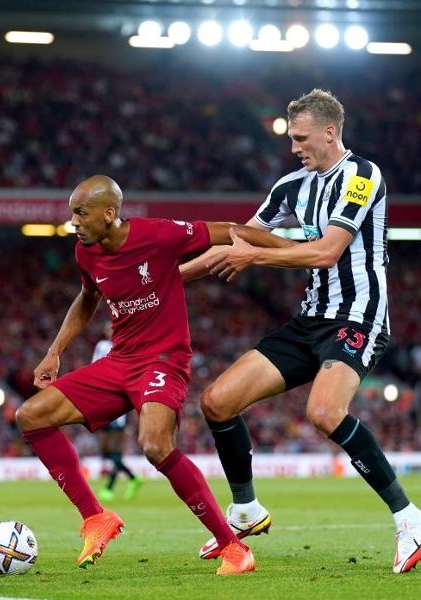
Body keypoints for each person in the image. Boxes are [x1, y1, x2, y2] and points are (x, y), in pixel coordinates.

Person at [180, 89, 421, 574]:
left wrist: (257, 256)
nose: (294, 147)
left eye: (301, 138)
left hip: (358, 315)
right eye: (292, 139)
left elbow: (326, 252)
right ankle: (245, 510)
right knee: (217, 401)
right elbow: (237, 238)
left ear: (330, 132)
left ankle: (409, 518)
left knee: (325, 411)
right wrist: (163, 281)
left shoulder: (362, 176)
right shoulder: (291, 186)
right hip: (310, 320)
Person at [16, 174, 289, 574]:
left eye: (80, 213)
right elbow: (87, 298)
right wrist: (54, 352)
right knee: (31, 416)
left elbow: (230, 231)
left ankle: (234, 548)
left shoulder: (158, 235)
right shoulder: (85, 252)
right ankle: (96, 518)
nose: (73, 221)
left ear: (109, 214)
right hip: (119, 361)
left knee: (155, 444)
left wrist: (298, 250)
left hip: (163, 359)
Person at [91, 322, 144, 502]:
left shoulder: (126, 347)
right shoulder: (101, 346)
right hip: (101, 400)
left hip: (117, 403)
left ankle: (111, 487)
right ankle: (131, 479)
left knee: (114, 448)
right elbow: (93, 369)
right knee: (105, 449)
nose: (111, 331)